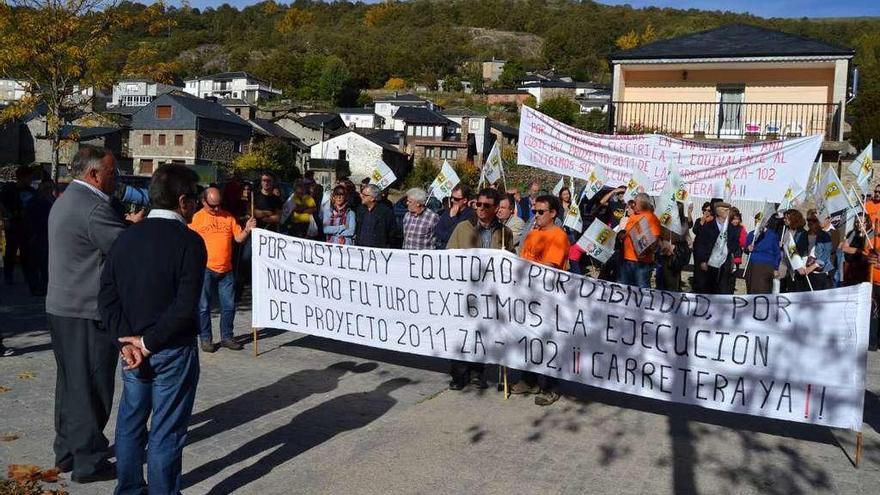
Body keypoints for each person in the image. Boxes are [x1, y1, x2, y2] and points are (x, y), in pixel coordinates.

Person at [99, 164, 205, 495]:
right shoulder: (190, 242)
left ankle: (129, 489)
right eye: (196, 199)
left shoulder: (126, 237)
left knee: (131, 424)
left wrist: (126, 342)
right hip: (168, 348)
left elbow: (106, 297)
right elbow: (186, 306)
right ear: (184, 201)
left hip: (133, 348)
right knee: (166, 431)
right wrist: (144, 343)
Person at [46, 146, 144, 483]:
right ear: (93, 175)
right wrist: (137, 230)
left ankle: (67, 451)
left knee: (71, 384)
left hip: (63, 306)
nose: (115, 179)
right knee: (92, 386)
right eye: (112, 173)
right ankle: (89, 460)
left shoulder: (68, 198)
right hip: (85, 310)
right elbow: (126, 252)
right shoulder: (92, 207)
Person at [446, 188, 514, 390]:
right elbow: (449, 257)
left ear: (495, 208)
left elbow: (509, 260)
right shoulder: (462, 227)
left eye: (486, 205)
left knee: (481, 334)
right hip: (465, 289)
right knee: (460, 332)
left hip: (489, 291)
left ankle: (478, 373)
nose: (481, 208)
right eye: (478, 204)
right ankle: (459, 375)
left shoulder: (505, 232)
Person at [511, 194, 569, 406]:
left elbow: (550, 267)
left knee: (547, 342)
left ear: (553, 213)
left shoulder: (558, 236)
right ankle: (529, 379)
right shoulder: (533, 232)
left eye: (541, 212)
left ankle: (550, 386)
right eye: (534, 211)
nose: (536, 215)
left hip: (547, 297)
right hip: (527, 293)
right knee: (528, 338)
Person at [189, 187, 256, 353]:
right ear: (203, 202)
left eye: (219, 205)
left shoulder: (228, 216)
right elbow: (188, 242)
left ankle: (227, 337)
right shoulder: (196, 218)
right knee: (203, 307)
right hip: (205, 269)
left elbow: (239, 238)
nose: (217, 209)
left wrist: (247, 229)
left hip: (226, 269)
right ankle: (206, 339)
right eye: (212, 206)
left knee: (229, 306)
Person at [692, 201, 740, 294]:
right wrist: (703, 261)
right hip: (710, 263)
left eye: (728, 210)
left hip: (725, 264)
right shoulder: (708, 227)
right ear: (718, 211)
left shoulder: (731, 228)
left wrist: (728, 248)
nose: (728, 212)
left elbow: (735, 244)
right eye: (725, 210)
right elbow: (701, 245)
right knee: (709, 288)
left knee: (723, 289)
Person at [1, 165, 36, 285]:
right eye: (29, 177)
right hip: (14, 225)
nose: (31, 179)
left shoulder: (32, 191)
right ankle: (8, 275)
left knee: (27, 252)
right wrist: (7, 216)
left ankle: (28, 276)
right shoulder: (10, 189)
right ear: (22, 177)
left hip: (27, 226)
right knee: (11, 250)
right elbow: (2, 203)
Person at [618, 193, 661, 288]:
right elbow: (627, 232)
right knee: (623, 287)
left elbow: (655, 241)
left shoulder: (652, 218)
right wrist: (622, 235)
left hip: (642, 262)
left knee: (641, 288)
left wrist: (646, 251)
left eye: (635, 203)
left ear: (643, 204)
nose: (633, 205)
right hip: (627, 259)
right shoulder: (633, 216)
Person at [23, 179, 55, 296]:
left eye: (50, 188)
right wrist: (33, 233)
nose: (49, 190)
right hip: (37, 234)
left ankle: (44, 285)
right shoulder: (35, 201)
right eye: (47, 187)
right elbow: (29, 219)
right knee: (36, 262)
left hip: (47, 234)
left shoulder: (51, 200)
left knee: (45, 262)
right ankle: (35, 286)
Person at [791, 212, 834, 291]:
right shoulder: (803, 235)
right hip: (803, 271)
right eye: (808, 220)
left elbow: (826, 254)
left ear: (818, 221)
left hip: (819, 273)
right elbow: (795, 251)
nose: (810, 222)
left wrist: (812, 267)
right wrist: (798, 266)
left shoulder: (825, 236)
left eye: (814, 220)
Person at [744, 212, 783, 294]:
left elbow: (777, 253)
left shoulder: (772, 236)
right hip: (751, 265)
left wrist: (775, 268)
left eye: (760, 221)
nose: (758, 223)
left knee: (762, 290)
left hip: (766, 266)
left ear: (766, 223)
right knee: (751, 289)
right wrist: (748, 248)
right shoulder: (751, 234)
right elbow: (745, 249)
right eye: (756, 221)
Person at [356, 184, 401, 248]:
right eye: (361, 193)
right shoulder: (361, 209)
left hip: (378, 251)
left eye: (364, 195)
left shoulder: (386, 212)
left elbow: (392, 234)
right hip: (362, 249)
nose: (361, 196)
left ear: (372, 198)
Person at [435, 184, 474, 248]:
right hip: (443, 251)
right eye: (451, 197)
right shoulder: (447, 212)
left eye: (456, 199)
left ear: (465, 200)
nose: (452, 200)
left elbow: (459, 235)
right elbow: (438, 231)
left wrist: (453, 218)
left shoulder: (471, 215)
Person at [841, 212, 869, 286]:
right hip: (850, 267)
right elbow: (844, 248)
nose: (858, 224)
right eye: (857, 222)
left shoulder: (869, 234)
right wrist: (859, 251)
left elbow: (867, 252)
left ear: (867, 222)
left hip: (863, 269)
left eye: (862, 222)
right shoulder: (852, 233)